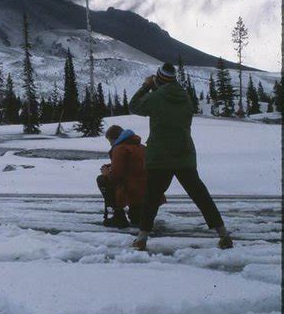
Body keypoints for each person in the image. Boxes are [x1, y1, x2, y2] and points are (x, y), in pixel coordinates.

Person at [129, 62, 233, 251]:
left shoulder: (156, 96)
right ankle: (223, 234)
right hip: (184, 154)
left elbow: (134, 106)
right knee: (201, 196)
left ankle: (142, 238)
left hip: (159, 156)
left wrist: (147, 86)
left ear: (158, 79)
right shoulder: (185, 96)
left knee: (151, 198)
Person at [97, 124, 164, 228]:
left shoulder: (119, 148)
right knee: (137, 219)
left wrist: (106, 173)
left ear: (115, 138)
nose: (110, 144)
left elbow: (116, 176)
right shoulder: (141, 147)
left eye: (110, 141)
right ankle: (139, 211)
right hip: (147, 190)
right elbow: (135, 165)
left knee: (102, 179)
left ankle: (118, 216)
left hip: (132, 190)